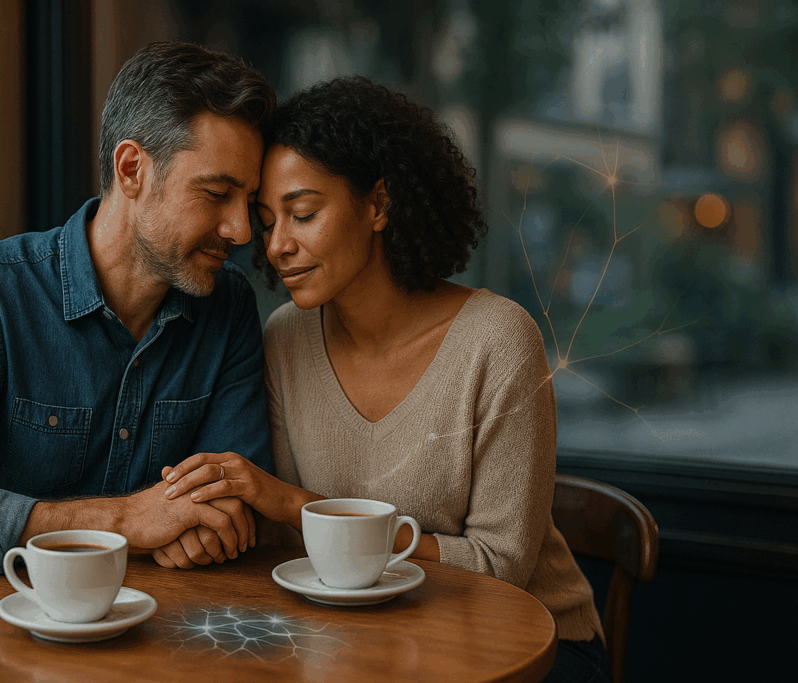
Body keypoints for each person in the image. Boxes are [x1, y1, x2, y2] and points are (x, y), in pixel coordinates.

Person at [161, 76, 610, 683]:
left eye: (303, 213)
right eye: (267, 223)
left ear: (378, 204)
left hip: (526, 643)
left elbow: (498, 567)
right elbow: (284, 546)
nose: (277, 247)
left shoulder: (498, 340)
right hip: (363, 638)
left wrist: (296, 505)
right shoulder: (285, 339)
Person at [0, 42, 276, 681]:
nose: (241, 230)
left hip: (141, 655)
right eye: (217, 193)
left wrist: (208, 522)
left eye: (246, 199)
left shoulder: (227, 309)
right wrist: (127, 520)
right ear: (132, 168)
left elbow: (233, 504)